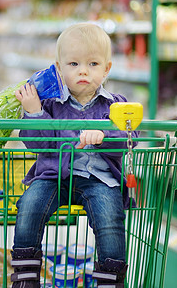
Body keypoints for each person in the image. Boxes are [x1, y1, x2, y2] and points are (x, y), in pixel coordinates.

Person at [11, 23, 139, 287]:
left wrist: (104, 137)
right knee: (29, 205)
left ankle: (110, 279)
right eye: (73, 64)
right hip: (53, 175)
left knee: (110, 217)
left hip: (99, 179)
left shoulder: (116, 105)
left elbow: (130, 139)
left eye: (93, 64)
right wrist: (35, 113)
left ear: (107, 69)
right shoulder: (49, 104)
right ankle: (25, 276)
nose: (83, 70)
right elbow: (36, 145)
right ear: (58, 69)